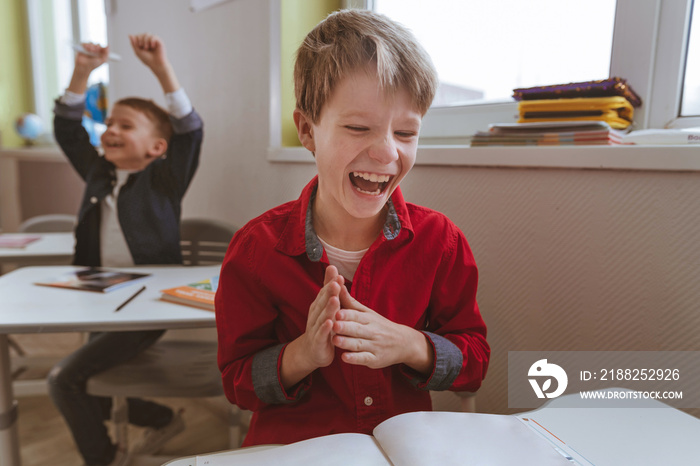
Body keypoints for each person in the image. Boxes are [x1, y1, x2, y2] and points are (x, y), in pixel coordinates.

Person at [215, 9, 490, 447]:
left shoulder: (441, 242)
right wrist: (302, 355)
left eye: (405, 132)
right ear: (308, 130)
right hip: (295, 452)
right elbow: (237, 382)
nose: (386, 152)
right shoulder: (255, 251)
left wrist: (410, 345)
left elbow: (474, 361)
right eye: (358, 127)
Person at [48, 33, 203, 466]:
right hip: (99, 298)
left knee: (65, 380)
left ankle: (106, 459)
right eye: (110, 124)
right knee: (94, 380)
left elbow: (190, 129)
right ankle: (162, 418)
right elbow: (67, 127)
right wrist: (82, 72)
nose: (111, 130)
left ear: (157, 148)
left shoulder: (164, 180)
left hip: (146, 304)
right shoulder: (99, 172)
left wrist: (159, 68)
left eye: (126, 126)